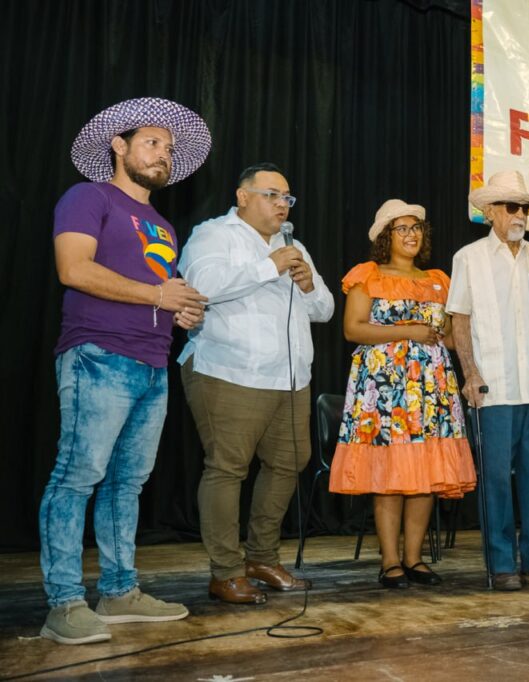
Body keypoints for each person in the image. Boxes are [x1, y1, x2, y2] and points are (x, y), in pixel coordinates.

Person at [40, 98, 210, 645]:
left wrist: (182, 310)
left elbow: (159, 294)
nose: (164, 155)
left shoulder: (163, 225)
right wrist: (159, 295)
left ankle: (118, 591)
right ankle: (64, 603)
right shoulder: (87, 197)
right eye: (152, 143)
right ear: (119, 145)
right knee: (76, 476)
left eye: (170, 149)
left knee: (126, 485)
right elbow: (73, 269)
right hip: (98, 354)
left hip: (153, 363)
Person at [178, 163, 335, 604]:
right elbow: (202, 286)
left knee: (290, 463)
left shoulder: (294, 246)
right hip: (230, 371)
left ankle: (262, 558)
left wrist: (309, 286)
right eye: (272, 195)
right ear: (243, 196)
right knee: (228, 467)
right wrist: (268, 267)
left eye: (287, 198)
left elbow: (324, 310)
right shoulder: (214, 234)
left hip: (290, 378)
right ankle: (225, 571)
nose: (282, 205)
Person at [330, 199, 476, 588]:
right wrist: (409, 331)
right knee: (390, 473)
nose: (412, 235)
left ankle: (414, 558)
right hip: (385, 388)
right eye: (402, 228)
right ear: (385, 236)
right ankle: (390, 561)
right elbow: (353, 329)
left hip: (431, 387)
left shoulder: (439, 280)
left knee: (424, 473)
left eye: (417, 228)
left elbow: (448, 336)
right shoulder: (368, 275)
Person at [447, 170, 529, 591]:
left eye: (526, 207)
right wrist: (470, 373)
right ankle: (502, 564)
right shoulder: (468, 257)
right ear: (490, 212)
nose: (521, 214)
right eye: (512, 206)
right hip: (494, 386)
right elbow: (459, 318)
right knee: (495, 482)